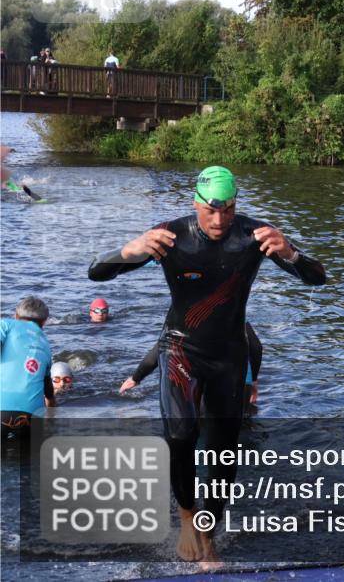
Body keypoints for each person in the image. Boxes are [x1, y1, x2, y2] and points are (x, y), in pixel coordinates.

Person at [88, 165, 325, 566]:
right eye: (210, 211)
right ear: (195, 204)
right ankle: (185, 518)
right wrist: (131, 249)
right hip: (179, 349)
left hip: (229, 354)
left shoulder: (256, 236)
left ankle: (207, 533)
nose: (219, 221)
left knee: (223, 451)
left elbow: (317, 279)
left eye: (228, 211)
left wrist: (290, 252)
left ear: (236, 206)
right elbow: (97, 273)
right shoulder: (169, 235)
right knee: (180, 435)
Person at [121, 322, 262, 407]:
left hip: (204, 381)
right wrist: (253, 381)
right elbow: (256, 346)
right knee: (242, 428)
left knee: (201, 430)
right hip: (241, 380)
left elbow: (163, 347)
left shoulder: (187, 316)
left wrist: (136, 378)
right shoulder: (236, 312)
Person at [0, 296, 56, 437]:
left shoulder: (6, 324)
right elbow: (48, 391)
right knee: (26, 456)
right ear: (44, 322)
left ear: (16, 315)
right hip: (33, 416)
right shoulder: (45, 344)